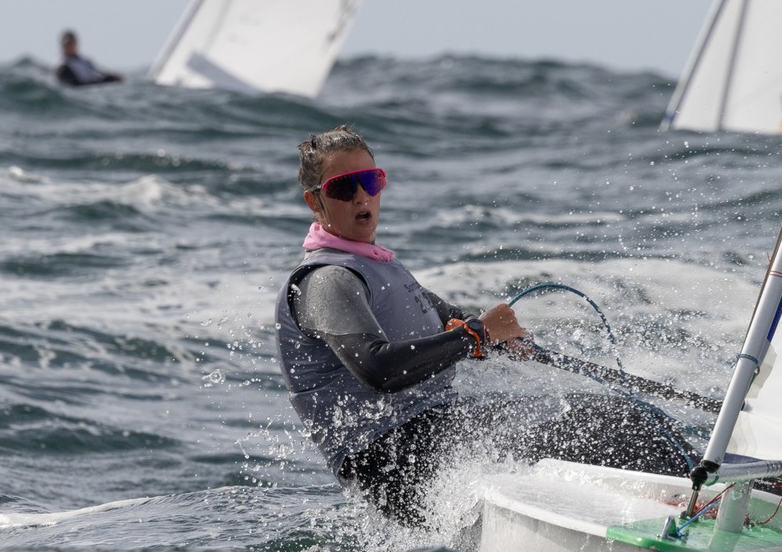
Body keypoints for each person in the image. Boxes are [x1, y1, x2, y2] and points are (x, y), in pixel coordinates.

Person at [276, 125, 692, 523]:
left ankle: (699, 494)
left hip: (438, 433)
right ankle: (701, 505)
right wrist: (476, 334)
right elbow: (377, 369)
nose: (362, 196)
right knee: (607, 426)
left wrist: (495, 339)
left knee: (626, 418)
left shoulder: (377, 266)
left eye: (370, 180)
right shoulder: (327, 280)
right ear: (315, 202)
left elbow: (450, 323)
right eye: (344, 188)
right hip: (395, 462)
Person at [55, 30, 121, 87]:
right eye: (67, 45)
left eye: (71, 44)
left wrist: (111, 78)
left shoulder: (85, 61)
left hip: (92, 89)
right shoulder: (62, 66)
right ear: (62, 46)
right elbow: (74, 84)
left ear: (76, 44)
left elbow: (98, 72)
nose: (69, 47)